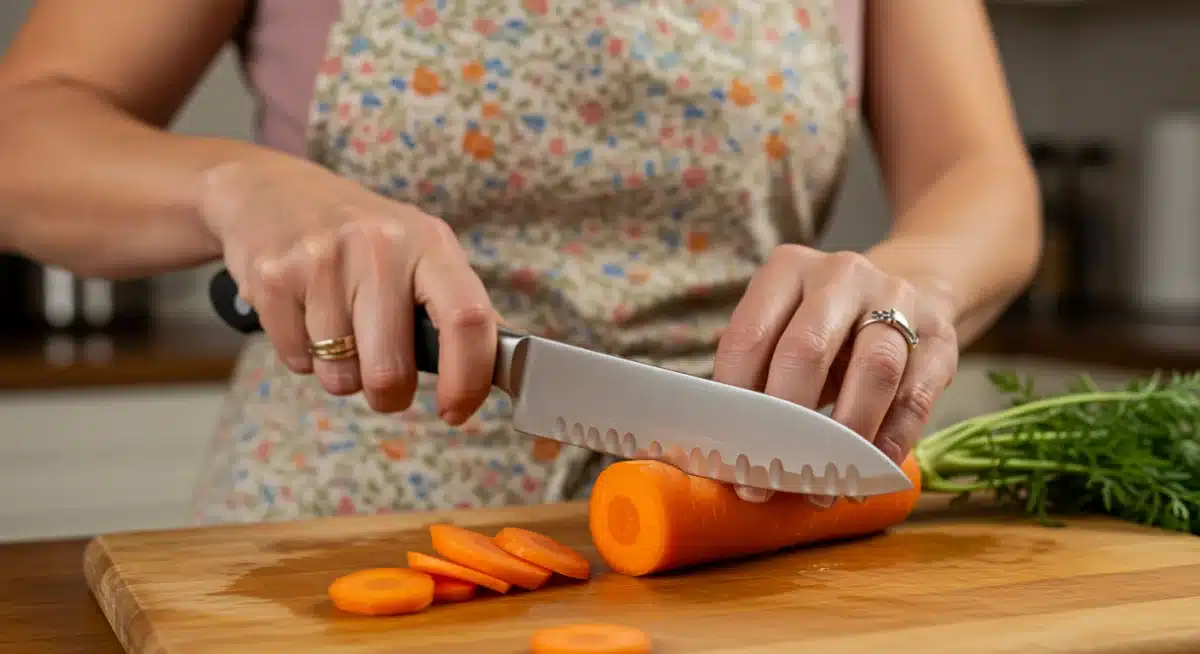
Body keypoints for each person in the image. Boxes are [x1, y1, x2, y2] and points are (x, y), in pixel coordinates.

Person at [0, 0, 1040, 523]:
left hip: (744, 508)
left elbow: (979, 172)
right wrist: (233, 185)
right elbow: (26, 131)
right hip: (335, 535)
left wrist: (917, 285)